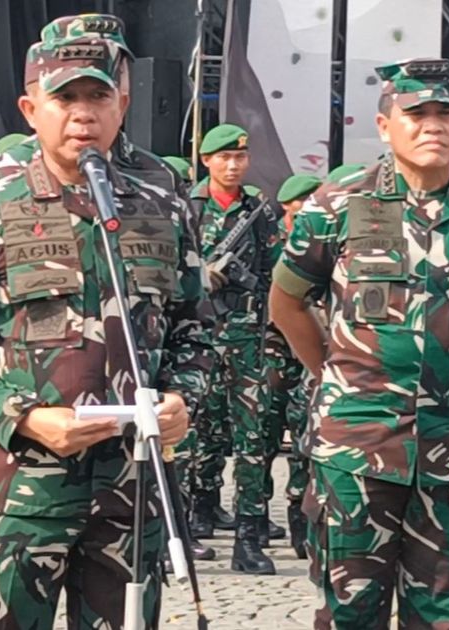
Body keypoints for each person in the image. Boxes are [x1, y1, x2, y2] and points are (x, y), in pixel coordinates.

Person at [0, 14, 211, 627]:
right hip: (25, 487)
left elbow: (195, 326)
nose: (84, 114)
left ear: (122, 103)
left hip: (131, 486)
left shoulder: (161, 202)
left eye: (99, 96)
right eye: (65, 98)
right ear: (31, 109)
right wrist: (23, 417)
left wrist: (184, 396)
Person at [269, 58, 449, 629]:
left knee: (444, 615)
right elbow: (288, 302)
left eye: (446, 113)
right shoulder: (335, 205)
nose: (432, 125)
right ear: (386, 124)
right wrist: (334, 375)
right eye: (415, 113)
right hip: (355, 448)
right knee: (349, 615)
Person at [185, 123, 278, 573]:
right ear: (207, 161)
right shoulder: (188, 207)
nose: (234, 164)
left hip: (246, 336)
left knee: (252, 437)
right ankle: (190, 517)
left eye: (240, 157)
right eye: (224, 157)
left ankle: (249, 534)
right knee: (194, 431)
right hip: (199, 335)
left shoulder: (259, 211)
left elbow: (272, 271)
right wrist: (200, 274)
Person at [264, 173, 322, 560]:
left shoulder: (324, 242)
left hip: (308, 350)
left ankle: (301, 517)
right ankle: (254, 517)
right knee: (263, 438)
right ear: (289, 206)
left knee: (306, 436)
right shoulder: (270, 242)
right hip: (268, 350)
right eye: (305, 201)